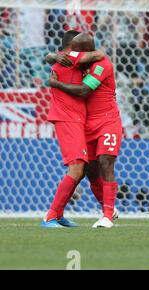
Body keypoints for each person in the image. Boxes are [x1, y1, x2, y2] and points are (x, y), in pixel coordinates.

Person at [49, 33, 122, 228]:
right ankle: (107, 208)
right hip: (87, 124)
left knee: (106, 163)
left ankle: (107, 216)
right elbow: (52, 57)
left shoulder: (102, 64)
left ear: (84, 50)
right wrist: (52, 56)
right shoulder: (79, 60)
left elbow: (83, 90)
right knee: (90, 171)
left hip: (108, 121)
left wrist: (55, 84)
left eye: (75, 50)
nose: (72, 53)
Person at [41, 30, 105, 228]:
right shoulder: (70, 57)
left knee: (81, 169)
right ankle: (50, 217)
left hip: (74, 118)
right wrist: (53, 55)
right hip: (68, 118)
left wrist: (50, 56)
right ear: (74, 46)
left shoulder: (66, 59)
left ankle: (58, 214)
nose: (88, 48)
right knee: (77, 168)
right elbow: (100, 55)